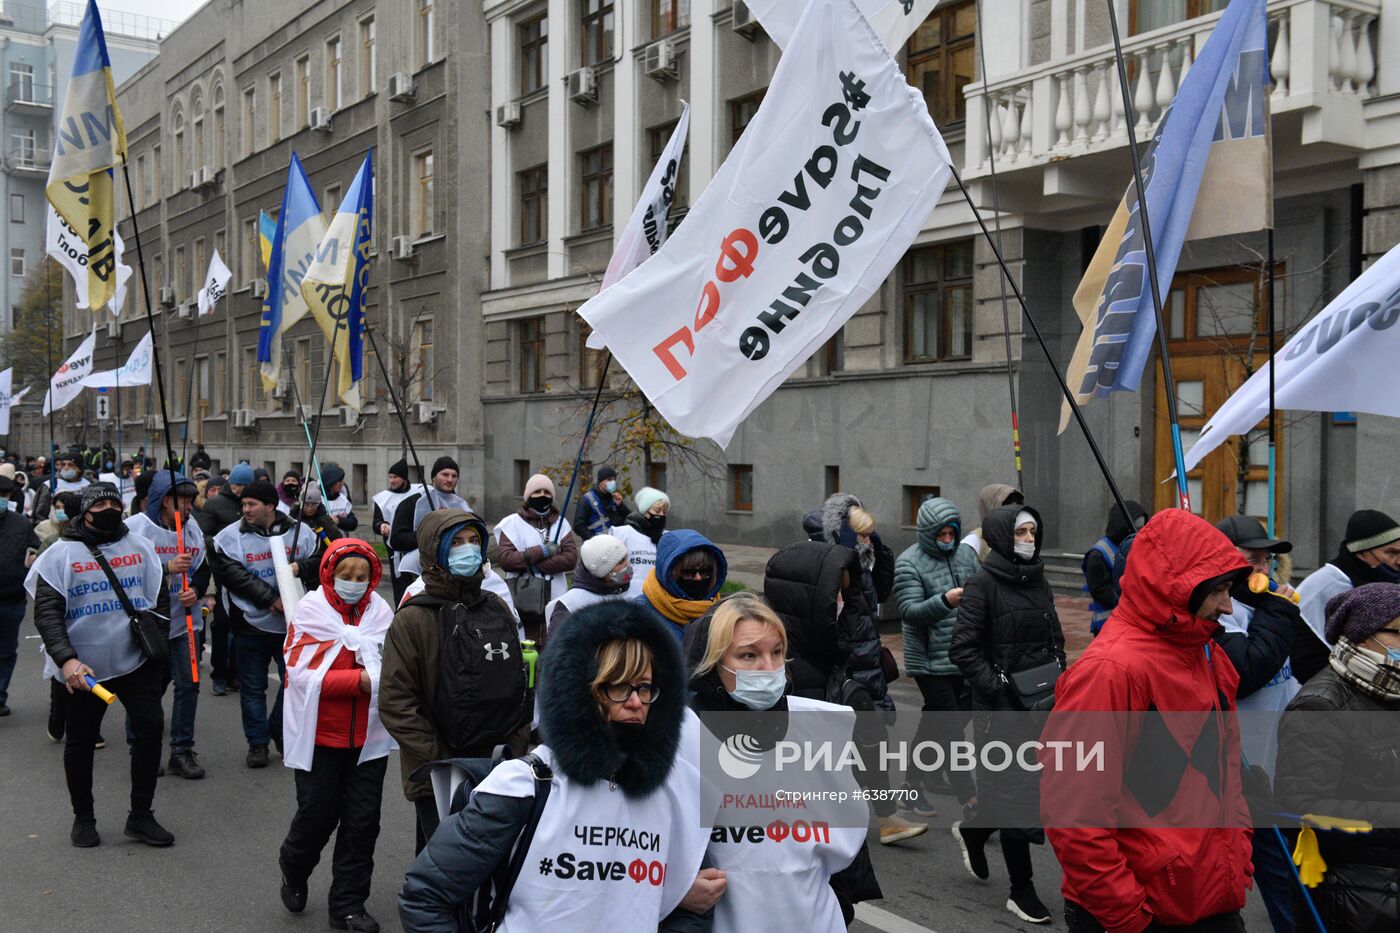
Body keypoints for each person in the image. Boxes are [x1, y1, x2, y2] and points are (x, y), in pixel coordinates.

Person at [397, 601, 710, 933]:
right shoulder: (524, 784)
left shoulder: (675, 790)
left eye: (645, 687)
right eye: (618, 685)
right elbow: (425, 898)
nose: (635, 701)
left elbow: (694, 908)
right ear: (580, 691)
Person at [1042, 509, 1254, 932]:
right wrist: (1127, 916)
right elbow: (1075, 814)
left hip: (1211, 897)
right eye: (1220, 591)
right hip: (1142, 911)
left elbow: (1227, 769)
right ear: (1180, 588)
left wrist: (1240, 849)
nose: (1229, 607)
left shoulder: (1205, 655)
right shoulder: (1110, 671)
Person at [683, 593, 874, 929]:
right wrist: (678, 891)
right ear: (715, 662)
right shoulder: (681, 737)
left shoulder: (819, 726)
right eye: (748, 655)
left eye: (777, 652)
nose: (769, 668)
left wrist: (841, 904)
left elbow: (846, 845)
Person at [26, 483, 174, 848]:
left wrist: (156, 640)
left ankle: (141, 815)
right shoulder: (60, 554)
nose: (108, 508)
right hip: (84, 670)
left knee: (150, 731)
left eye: (113, 502)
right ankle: (84, 817)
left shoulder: (140, 546)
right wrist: (66, 659)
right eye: (100, 503)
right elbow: (47, 613)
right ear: (85, 511)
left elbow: (159, 597)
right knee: (80, 741)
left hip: (136, 661)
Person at [378, 508, 531, 853]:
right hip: (439, 771)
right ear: (435, 553)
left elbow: (519, 683)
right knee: (444, 861)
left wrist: (514, 748)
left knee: (491, 862)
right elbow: (396, 702)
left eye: (473, 541)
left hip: (497, 763)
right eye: (456, 543)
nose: (468, 550)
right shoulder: (413, 619)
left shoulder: (495, 606)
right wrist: (437, 758)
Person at [948, 505, 1064, 924]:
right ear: (1002, 536)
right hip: (1001, 712)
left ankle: (975, 830)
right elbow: (962, 649)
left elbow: (1055, 640)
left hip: (1043, 704)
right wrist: (998, 688)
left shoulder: (1040, 580)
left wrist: (1062, 681)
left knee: (1033, 791)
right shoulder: (982, 585)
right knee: (1016, 797)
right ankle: (1022, 890)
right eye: (1022, 531)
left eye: (1035, 530)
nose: (1030, 538)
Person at [763, 539, 921, 844]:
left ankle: (885, 817)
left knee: (869, 745)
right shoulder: (774, 645)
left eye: (841, 593)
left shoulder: (827, 631)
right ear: (811, 595)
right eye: (833, 593)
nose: (840, 600)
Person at [279, 538, 396, 933]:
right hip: (319, 739)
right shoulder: (310, 612)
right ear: (330, 574)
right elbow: (298, 674)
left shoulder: (381, 613)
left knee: (363, 823)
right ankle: (294, 867)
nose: (354, 582)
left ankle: (347, 905)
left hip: (370, 739)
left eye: (363, 576)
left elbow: (396, 667)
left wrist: (374, 681)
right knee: (316, 816)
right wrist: (358, 681)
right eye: (346, 575)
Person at [1274, 583, 1400, 933]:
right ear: (1362, 636)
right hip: (1358, 895)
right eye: (1398, 631)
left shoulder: (1391, 687)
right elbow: (1302, 810)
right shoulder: (1320, 705)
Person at [209, 478, 323, 768]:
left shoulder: (301, 532)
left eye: (252, 504)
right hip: (250, 625)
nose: (245, 509)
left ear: (270, 506)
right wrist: (272, 599)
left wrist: (303, 567)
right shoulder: (228, 537)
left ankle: (279, 726)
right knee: (252, 687)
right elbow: (234, 575)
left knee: (294, 683)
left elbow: (320, 560)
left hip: (294, 624)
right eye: (243, 504)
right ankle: (257, 743)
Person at [893, 496, 979, 811]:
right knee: (952, 725)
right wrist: (945, 600)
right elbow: (909, 611)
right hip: (928, 660)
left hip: (962, 656)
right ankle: (968, 796)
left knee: (936, 723)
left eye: (951, 534)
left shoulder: (966, 556)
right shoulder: (908, 563)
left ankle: (910, 784)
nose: (946, 541)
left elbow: (982, 591)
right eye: (940, 535)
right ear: (928, 534)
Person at [124, 471, 210, 780]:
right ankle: (141, 747)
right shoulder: (136, 529)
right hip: (149, 624)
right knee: (147, 689)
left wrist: (196, 591)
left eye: (189, 500)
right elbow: (125, 574)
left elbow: (202, 569)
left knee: (189, 685)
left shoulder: (192, 530)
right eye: (179, 500)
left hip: (185, 625)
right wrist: (165, 568)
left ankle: (182, 751)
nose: (187, 506)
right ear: (162, 500)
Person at [1297, 509, 1400, 652]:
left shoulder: (1387, 579)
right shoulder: (1326, 584)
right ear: (1362, 553)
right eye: (1392, 552)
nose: (1399, 561)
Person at [495, 473, 578, 638]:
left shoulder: (561, 524)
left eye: (547, 492)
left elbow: (570, 559)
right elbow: (507, 560)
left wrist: (528, 561)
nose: (542, 496)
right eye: (537, 492)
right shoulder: (511, 524)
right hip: (523, 599)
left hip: (556, 598)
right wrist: (542, 551)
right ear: (528, 496)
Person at [199, 467, 249, 696]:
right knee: (221, 626)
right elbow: (204, 536)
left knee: (243, 626)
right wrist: (223, 543)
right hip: (220, 573)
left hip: (245, 573)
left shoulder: (249, 503)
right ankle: (219, 675)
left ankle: (235, 673)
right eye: (239, 486)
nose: (242, 491)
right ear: (232, 483)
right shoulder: (215, 504)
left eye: (246, 487)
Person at [388, 455, 469, 584]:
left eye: (454, 476)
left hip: (451, 572)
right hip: (415, 574)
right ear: (433, 477)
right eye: (445, 474)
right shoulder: (412, 502)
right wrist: (430, 534)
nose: (450, 479)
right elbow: (397, 540)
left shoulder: (462, 505)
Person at [636, 530, 727, 642]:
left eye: (705, 572)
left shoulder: (720, 609)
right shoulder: (641, 613)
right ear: (670, 574)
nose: (698, 578)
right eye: (689, 572)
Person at [0, 475, 41, 717]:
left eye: (4, 496)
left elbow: (35, 550)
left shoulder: (21, 524)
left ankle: (0, 696)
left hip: (12, 599)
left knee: (6, 651)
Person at [1081, 500, 1149, 635]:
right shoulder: (1099, 553)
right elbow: (1100, 590)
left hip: (1130, 622)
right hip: (1107, 625)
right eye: (1137, 527)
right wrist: (1128, 603)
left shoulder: (1133, 547)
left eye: (1143, 527)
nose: (1140, 531)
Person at [819, 494, 894, 613]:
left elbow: (881, 594)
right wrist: (847, 557)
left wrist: (882, 554)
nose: (869, 541)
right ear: (848, 533)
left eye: (871, 534)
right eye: (864, 535)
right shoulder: (827, 557)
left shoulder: (866, 557)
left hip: (867, 626)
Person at [545, 534, 633, 634]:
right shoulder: (570, 605)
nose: (628, 564)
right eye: (620, 562)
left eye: (626, 557)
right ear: (603, 571)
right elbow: (558, 647)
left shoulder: (634, 591)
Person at [371, 459, 417, 603]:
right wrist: (381, 526)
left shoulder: (416, 493)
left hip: (414, 545)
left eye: (395, 477)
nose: (392, 480)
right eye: (390, 477)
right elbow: (376, 522)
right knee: (400, 586)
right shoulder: (382, 498)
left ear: (404, 478)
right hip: (394, 550)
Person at [610, 486, 668, 599]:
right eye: (657, 511)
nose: (661, 515)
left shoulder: (667, 537)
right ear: (645, 511)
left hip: (657, 602)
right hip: (627, 600)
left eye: (664, 512)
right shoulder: (623, 533)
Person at [960, 483, 1024, 560]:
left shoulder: (1023, 536)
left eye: (1016, 507)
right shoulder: (973, 542)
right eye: (1007, 508)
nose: (1013, 514)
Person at [574, 464, 629, 541]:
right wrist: (593, 540)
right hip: (595, 546)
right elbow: (578, 526)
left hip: (615, 544)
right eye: (609, 479)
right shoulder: (586, 499)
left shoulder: (615, 498)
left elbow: (629, 520)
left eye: (614, 479)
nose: (612, 482)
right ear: (600, 481)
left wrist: (620, 506)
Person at [319, 462, 358, 531]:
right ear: (330, 482)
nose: (342, 484)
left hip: (341, 539)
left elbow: (353, 523)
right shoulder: (318, 500)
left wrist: (339, 520)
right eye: (339, 481)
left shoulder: (343, 500)